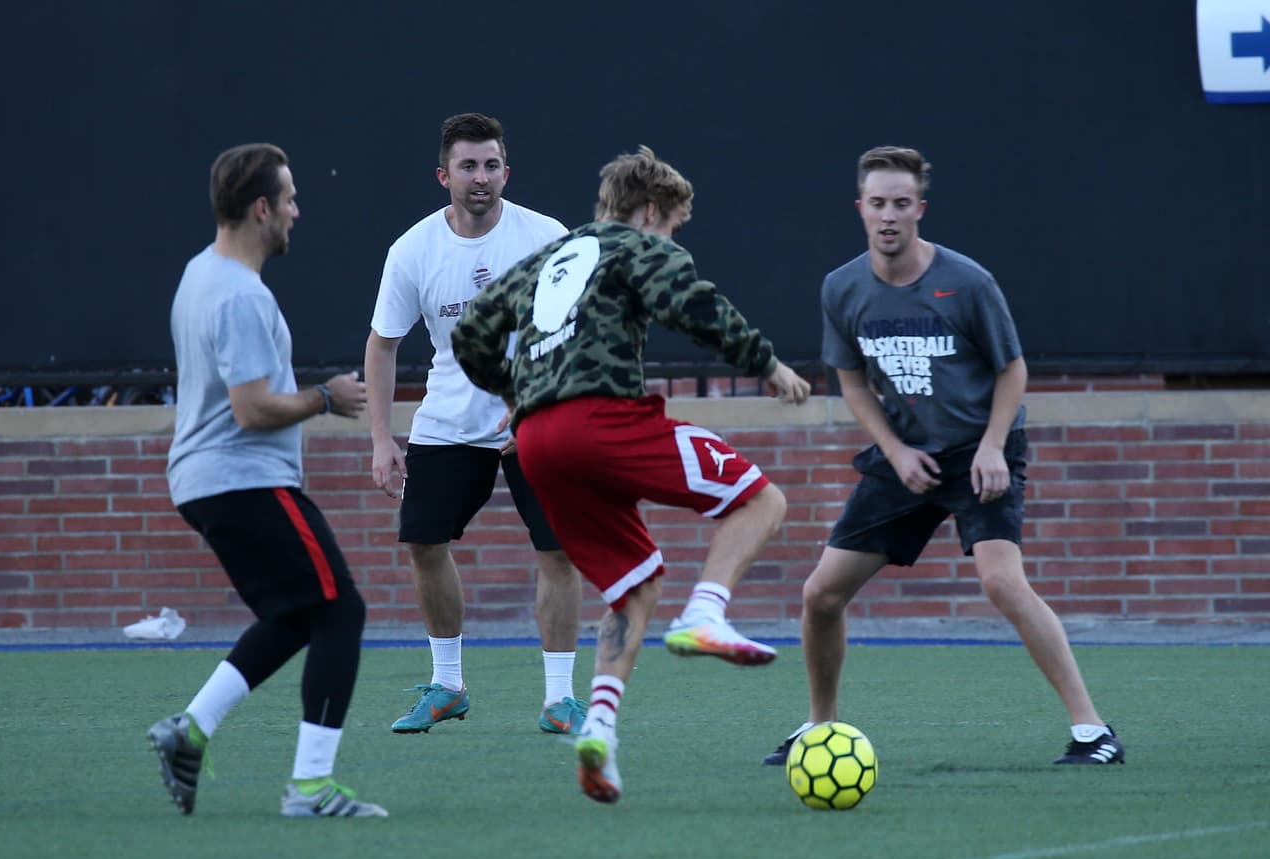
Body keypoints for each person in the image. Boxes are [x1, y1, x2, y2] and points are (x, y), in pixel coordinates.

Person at [451, 145, 813, 804]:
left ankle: (600, 728)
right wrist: (768, 365)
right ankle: (706, 612)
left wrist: (517, 392)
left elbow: (472, 330)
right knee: (760, 500)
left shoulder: (544, 259)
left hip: (535, 441)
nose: (675, 239)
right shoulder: (638, 246)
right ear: (651, 211)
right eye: (673, 225)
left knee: (635, 585)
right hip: (603, 423)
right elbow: (692, 304)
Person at [761, 145, 1124, 768]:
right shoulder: (843, 288)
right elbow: (850, 379)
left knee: (1001, 581)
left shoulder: (967, 282)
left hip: (980, 451)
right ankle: (821, 728)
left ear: (920, 208)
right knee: (821, 594)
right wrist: (895, 449)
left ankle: (1094, 732)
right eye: (877, 204)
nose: (889, 216)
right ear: (860, 209)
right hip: (907, 459)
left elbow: (1013, 370)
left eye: (902, 203)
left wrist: (991, 448)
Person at [148, 143, 387, 818]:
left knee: (296, 615)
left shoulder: (200, 273)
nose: (296, 212)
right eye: (288, 199)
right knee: (342, 610)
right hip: (241, 478)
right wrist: (327, 397)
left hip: (209, 480)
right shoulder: (238, 296)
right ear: (261, 209)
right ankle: (310, 787)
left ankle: (188, 729)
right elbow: (251, 409)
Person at [364, 113, 587, 736]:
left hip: (537, 420)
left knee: (558, 550)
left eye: (491, 165)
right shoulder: (412, 250)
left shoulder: (546, 237)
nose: (481, 177)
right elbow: (382, 345)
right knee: (422, 544)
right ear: (444, 176)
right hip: (449, 419)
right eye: (468, 166)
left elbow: (573, 334)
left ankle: (560, 699)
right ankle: (448, 685)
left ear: (506, 172)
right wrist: (383, 439)